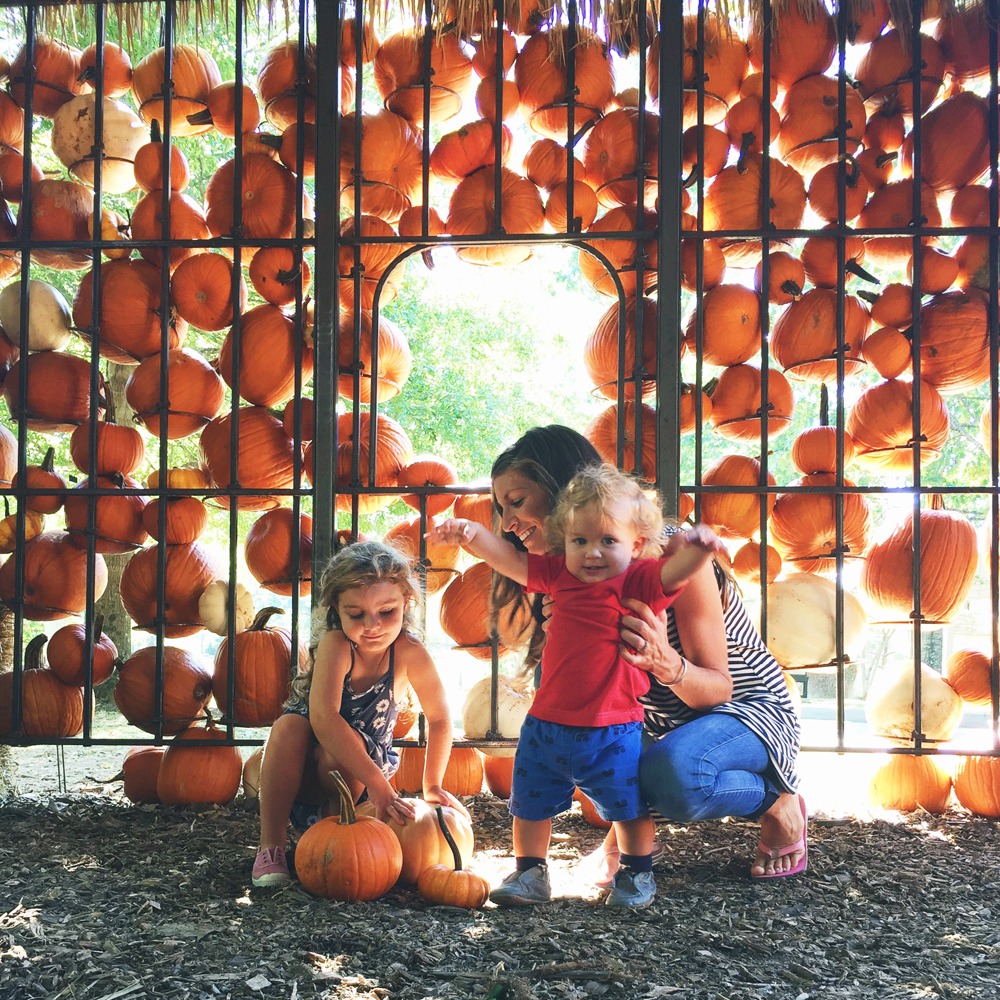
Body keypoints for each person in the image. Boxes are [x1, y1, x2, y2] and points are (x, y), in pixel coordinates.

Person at [489, 425, 805, 882]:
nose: (506, 524)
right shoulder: (571, 571)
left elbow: (718, 689)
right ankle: (627, 834)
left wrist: (664, 661)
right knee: (567, 732)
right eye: (500, 509)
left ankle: (778, 801)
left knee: (677, 777)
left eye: (516, 502)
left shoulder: (669, 554)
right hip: (656, 721)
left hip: (740, 711)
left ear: (562, 489)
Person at [429, 463, 726, 907]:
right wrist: (472, 536)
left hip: (614, 728)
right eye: (579, 541)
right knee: (528, 804)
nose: (592, 552)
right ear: (564, 541)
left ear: (636, 544)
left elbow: (674, 574)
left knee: (627, 807)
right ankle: (530, 873)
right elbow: (511, 559)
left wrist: (700, 550)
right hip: (546, 725)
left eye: (608, 541)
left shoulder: (638, 580)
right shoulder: (557, 575)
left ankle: (637, 874)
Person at [252, 539, 465, 886]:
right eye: (357, 614)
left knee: (343, 757)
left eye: (387, 612)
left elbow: (440, 718)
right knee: (289, 726)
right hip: (305, 767)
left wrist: (433, 784)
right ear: (337, 608)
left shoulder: (409, 651)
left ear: (406, 602)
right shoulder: (338, 645)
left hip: (360, 778)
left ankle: (333, 837)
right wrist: (382, 786)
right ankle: (270, 847)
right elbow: (324, 719)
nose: (373, 625)